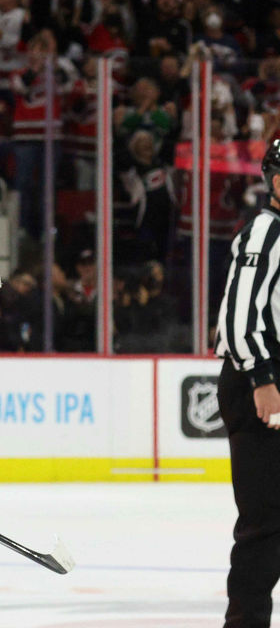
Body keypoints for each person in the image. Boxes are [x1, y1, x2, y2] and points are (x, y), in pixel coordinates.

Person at [215, 140, 280, 628]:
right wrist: (262, 378)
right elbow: (241, 316)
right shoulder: (266, 229)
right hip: (262, 384)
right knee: (264, 523)